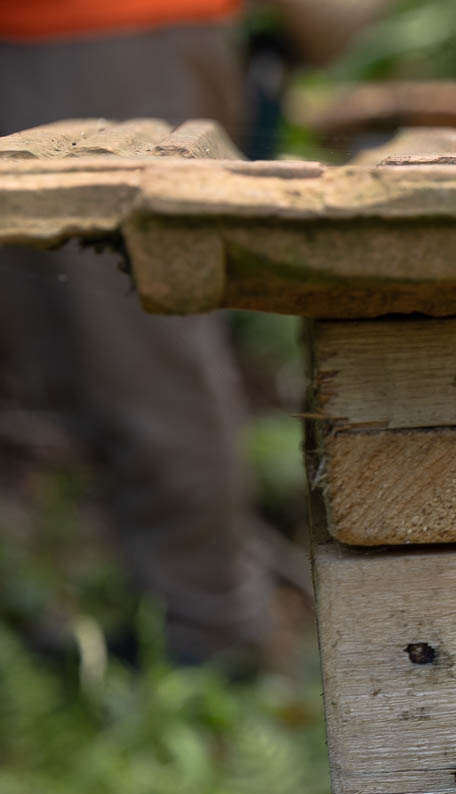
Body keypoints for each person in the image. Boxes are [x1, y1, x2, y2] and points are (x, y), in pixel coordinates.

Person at [0, 0, 269, 670]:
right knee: (84, 352)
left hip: (109, 32)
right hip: (62, 38)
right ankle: (175, 624)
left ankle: (210, 646)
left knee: (141, 351)